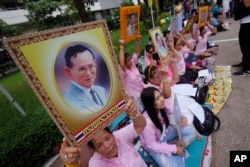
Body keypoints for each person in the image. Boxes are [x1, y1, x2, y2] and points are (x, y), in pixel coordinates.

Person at [59, 99, 147, 167]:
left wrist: (134, 113)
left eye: (107, 138)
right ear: (94, 150)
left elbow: (140, 126)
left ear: (112, 134)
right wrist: (71, 164)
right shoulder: (96, 162)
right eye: (99, 145)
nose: (107, 146)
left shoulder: (119, 136)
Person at [139, 87, 196, 167]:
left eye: (161, 95)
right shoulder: (146, 123)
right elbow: (152, 145)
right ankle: (175, 147)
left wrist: (182, 117)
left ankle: (176, 146)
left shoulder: (162, 105)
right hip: (155, 144)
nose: (162, 99)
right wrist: (174, 149)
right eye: (157, 99)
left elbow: (174, 111)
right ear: (150, 103)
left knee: (191, 132)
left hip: (166, 133)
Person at [63, 44, 107, 113]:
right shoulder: (68, 104)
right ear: (68, 72)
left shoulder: (101, 90)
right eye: (81, 69)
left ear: (95, 63)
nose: (89, 74)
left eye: (91, 66)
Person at [119, 35, 144, 112]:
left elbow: (137, 52)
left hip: (142, 91)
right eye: (128, 60)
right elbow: (122, 63)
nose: (130, 61)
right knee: (142, 113)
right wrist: (121, 46)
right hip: (134, 97)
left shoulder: (132, 64)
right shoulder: (123, 70)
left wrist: (138, 41)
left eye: (130, 59)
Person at [232, 0, 250, 75]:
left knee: (246, 46)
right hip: (245, 23)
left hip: (247, 23)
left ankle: (247, 69)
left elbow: (247, 4)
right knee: (244, 45)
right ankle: (244, 63)